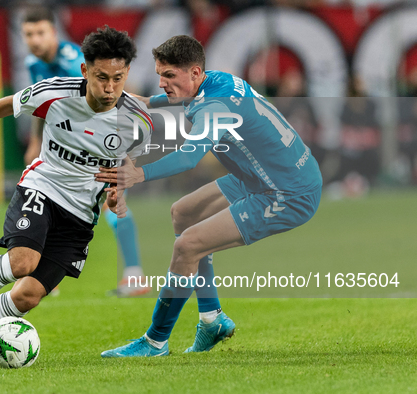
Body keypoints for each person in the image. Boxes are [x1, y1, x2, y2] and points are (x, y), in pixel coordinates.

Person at [0, 26, 152, 367]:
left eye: (118, 78)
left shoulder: (138, 121)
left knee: (28, 295)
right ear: (84, 71)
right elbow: (11, 104)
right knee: (23, 263)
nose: (109, 88)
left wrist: (117, 190)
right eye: (101, 77)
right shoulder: (56, 94)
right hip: (43, 188)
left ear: (127, 74)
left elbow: (126, 163)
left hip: (80, 216)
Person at [97, 35, 323, 357]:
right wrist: (146, 102)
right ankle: (212, 319)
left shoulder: (215, 107)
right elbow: (185, 100)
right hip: (262, 176)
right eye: (160, 75)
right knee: (183, 214)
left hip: (287, 191)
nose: (163, 83)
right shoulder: (217, 81)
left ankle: (155, 342)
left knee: (187, 245)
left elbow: (189, 157)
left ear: (194, 72)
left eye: (169, 76)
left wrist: (139, 174)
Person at [22, 7, 150, 297]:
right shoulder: (34, 63)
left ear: (54, 33)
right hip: (79, 142)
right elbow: (44, 103)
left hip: (107, 137)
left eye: (41, 33)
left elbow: (108, 98)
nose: (35, 40)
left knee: (111, 202)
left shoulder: (71, 62)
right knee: (67, 200)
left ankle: (134, 275)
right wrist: (35, 141)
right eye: (29, 34)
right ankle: (49, 275)